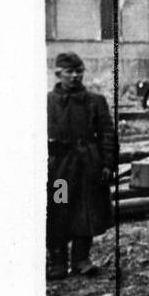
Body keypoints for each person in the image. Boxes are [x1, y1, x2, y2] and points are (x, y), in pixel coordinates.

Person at [47, 52, 116, 280]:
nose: (75, 76)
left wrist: (107, 163)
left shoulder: (95, 101)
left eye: (79, 71)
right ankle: (57, 262)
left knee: (85, 211)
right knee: (59, 208)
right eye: (69, 72)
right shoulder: (46, 102)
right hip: (60, 169)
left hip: (88, 166)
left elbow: (107, 134)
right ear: (58, 74)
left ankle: (81, 259)